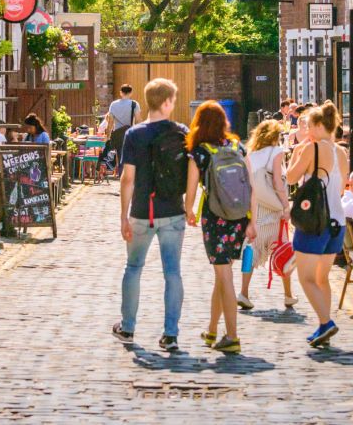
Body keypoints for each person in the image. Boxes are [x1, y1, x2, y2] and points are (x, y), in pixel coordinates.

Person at [113, 78, 198, 352]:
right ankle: (170, 334)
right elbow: (193, 171)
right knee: (172, 272)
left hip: (141, 212)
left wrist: (123, 216)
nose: (174, 104)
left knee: (133, 267)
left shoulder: (134, 135)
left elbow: (128, 179)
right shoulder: (182, 132)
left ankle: (128, 327)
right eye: (173, 100)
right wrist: (189, 205)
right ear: (165, 102)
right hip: (173, 210)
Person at [188, 101, 255, 354]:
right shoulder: (238, 146)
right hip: (239, 217)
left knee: (224, 276)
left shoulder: (200, 152)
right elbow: (252, 185)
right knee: (222, 273)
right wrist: (253, 220)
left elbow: (191, 189)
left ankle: (233, 337)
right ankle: (212, 330)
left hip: (215, 218)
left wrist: (188, 211)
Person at [284, 101, 349, 347]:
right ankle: (323, 324)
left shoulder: (312, 149)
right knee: (322, 279)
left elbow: (290, 177)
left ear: (321, 125)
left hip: (314, 223)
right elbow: (342, 189)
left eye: (309, 126)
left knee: (306, 278)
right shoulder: (341, 152)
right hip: (337, 221)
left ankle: (326, 322)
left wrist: (297, 154)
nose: (306, 132)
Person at [239, 120, 296, 310]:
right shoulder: (276, 152)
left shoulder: (251, 154)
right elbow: (279, 184)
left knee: (251, 249)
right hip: (274, 208)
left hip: (256, 208)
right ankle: (288, 295)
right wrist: (286, 207)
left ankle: (244, 293)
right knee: (283, 247)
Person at [103, 85, 141, 166]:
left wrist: (108, 137)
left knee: (120, 157)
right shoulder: (134, 104)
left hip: (117, 135)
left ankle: (121, 175)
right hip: (130, 134)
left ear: (121, 93)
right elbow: (138, 121)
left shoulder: (113, 104)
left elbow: (110, 123)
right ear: (131, 93)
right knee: (129, 158)